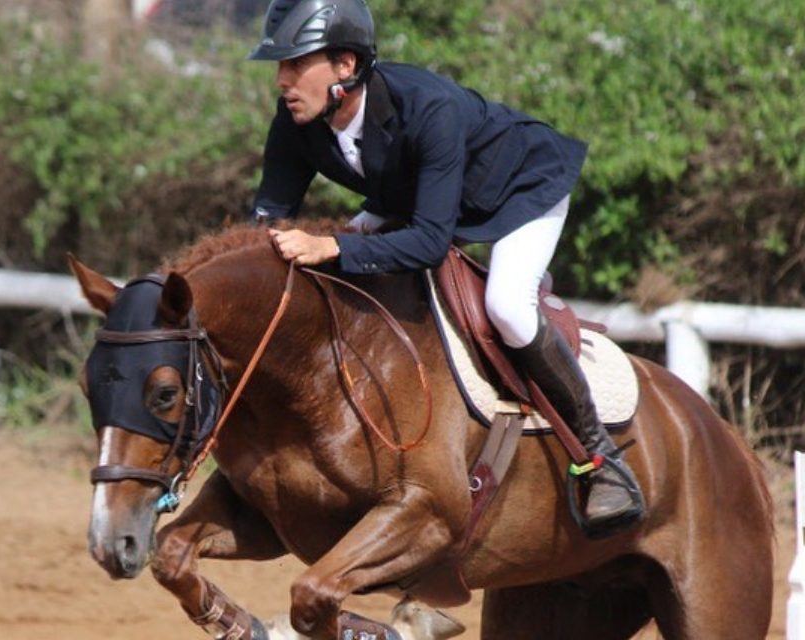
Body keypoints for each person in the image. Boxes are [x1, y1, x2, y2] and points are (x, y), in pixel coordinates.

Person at [248, 0, 642, 532]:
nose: (282, 80)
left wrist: (333, 248)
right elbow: (267, 221)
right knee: (347, 249)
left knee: (506, 306)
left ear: (345, 66)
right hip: (411, 193)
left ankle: (601, 462)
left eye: (295, 64)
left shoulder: (429, 109)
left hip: (520, 191)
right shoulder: (298, 119)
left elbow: (430, 243)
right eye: (280, 66)